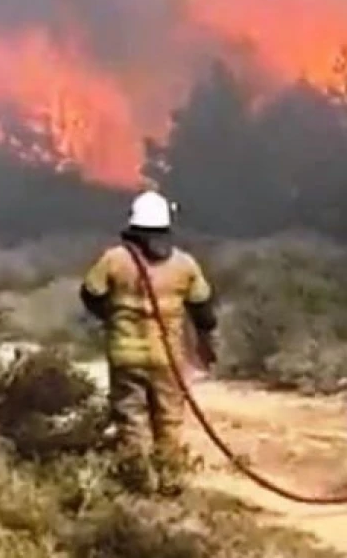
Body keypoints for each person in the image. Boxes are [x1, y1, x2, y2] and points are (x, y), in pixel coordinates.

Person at [80, 190, 219, 495]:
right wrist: (206, 342)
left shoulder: (114, 260)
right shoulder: (184, 264)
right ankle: (169, 482)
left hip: (125, 356)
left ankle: (140, 485)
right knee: (168, 420)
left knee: (132, 419)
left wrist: (111, 317)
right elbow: (203, 308)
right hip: (167, 358)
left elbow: (90, 293)